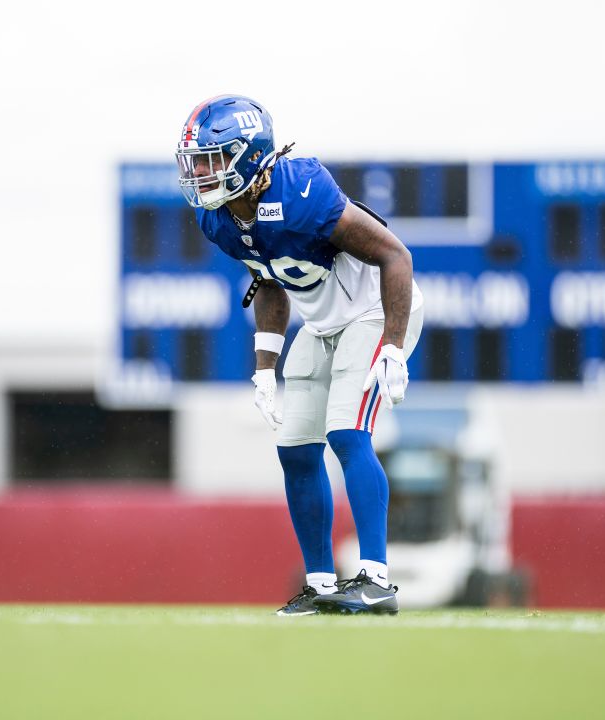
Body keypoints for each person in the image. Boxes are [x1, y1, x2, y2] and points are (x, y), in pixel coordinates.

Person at [175, 94, 425, 616]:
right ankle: (322, 585)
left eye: (211, 160)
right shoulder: (219, 220)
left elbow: (394, 255)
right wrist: (264, 368)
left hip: (375, 312)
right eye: (195, 162)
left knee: (346, 433)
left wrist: (395, 347)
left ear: (249, 156)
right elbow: (269, 284)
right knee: (294, 448)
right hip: (323, 322)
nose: (200, 173)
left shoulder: (301, 192)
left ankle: (376, 579)